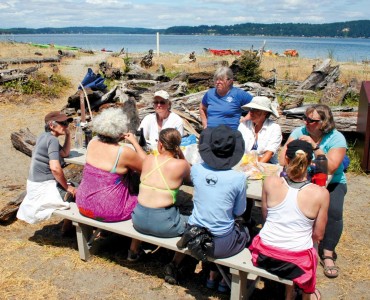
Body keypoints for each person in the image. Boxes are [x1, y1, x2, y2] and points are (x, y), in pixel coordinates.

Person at [250, 140, 329, 300]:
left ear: (286, 159)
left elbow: (265, 217)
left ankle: (290, 292)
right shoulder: (320, 193)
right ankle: (306, 293)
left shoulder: (270, 181)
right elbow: (318, 235)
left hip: (264, 255)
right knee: (309, 247)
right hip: (296, 263)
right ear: (310, 163)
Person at [279, 104, 347, 279]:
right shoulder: (299, 132)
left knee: (334, 212)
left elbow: (331, 167)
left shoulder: (336, 138)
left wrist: (315, 148)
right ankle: (291, 245)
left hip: (331, 182)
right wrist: (294, 147)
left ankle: (328, 254)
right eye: (305, 118)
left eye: (311, 120)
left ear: (324, 122)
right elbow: (282, 159)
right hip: (303, 180)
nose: (306, 122)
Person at [75, 108, 147, 261]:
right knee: (146, 200)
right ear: (120, 131)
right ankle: (135, 249)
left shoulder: (92, 143)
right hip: (108, 209)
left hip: (83, 202)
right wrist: (134, 142)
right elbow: (147, 167)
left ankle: (105, 233)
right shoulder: (123, 152)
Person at [188, 125, 250, 292]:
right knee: (245, 231)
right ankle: (223, 277)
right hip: (219, 241)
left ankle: (212, 275)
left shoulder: (196, 169)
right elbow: (239, 211)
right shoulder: (238, 178)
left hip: (193, 233)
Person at [131, 128, 191, 283]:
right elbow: (190, 176)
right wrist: (180, 153)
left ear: (160, 145)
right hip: (165, 225)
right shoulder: (181, 165)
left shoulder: (149, 160)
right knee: (194, 222)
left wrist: (133, 142)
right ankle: (174, 264)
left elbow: (143, 156)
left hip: (138, 220)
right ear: (177, 146)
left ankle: (133, 250)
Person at [17, 111, 76, 230]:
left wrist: (68, 135)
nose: (66, 126)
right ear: (51, 125)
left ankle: (68, 226)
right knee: (78, 190)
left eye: (67, 123)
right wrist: (67, 187)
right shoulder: (52, 140)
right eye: (63, 123)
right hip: (44, 188)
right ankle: (72, 227)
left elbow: (64, 153)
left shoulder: (44, 137)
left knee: (75, 186)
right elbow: (55, 168)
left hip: (35, 185)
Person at [238, 96, 282, 164]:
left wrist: (256, 168)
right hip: (244, 162)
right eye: (251, 109)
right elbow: (238, 148)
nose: (252, 112)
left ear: (265, 113)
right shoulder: (243, 125)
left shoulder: (274, 128)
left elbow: (269, 153)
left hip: (266, 164)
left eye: (256, 110)